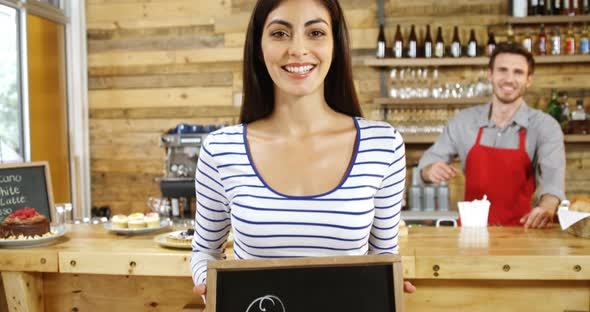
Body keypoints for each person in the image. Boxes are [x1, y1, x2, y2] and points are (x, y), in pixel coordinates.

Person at [191, 0, 415, 299]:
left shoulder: (383, 145)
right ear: (259, 47)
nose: (297, 49)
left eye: (316, 33)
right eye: (280, 33)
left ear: (335, 45)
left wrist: (386, 288)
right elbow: (206, 249)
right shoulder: (221, 150)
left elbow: (383, 254)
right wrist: (215, 290)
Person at [419, 42, 565, 228]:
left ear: (529, 79)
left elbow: (553, 184)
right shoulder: (463, 122)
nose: (509, 79)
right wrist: (430, 171)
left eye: (518, 72)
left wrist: (546, 208)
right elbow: (427, 166)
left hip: (522, 233)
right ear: (490, 74)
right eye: (502, 70)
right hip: (470, 234)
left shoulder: (545, 127)